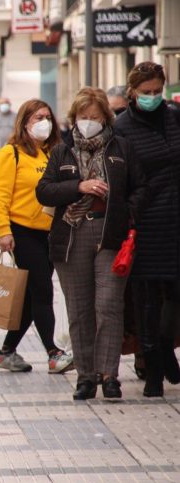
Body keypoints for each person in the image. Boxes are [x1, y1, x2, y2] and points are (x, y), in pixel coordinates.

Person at [36, 87, 147, 400]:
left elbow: (141, 188)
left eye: (94, 117)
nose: (88, 122)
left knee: (108, 306)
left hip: (110, 235)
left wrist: (126, 211)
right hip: (71, 237)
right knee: (80, 310)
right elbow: (44, 191)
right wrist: (79, 186)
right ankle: (85, 376)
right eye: (83, 117)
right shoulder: (62, 151)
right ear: (74, 118)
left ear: (106, 119)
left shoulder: (121, 148)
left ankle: (109, 374)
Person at [0, 98, 74, 375]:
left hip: (50, 231)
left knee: (28, 297)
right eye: (37, 118)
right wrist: (3, 230)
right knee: (42, 290)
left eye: (47, 117)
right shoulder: (10, 153)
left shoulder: (55, 153)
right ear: (24, 122)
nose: (44, 123)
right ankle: (53, 352)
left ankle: (6, 352)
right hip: (21, 231)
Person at [114, 62, 180, 397]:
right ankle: (153, 370)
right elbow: (122, 179)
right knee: (147, 301)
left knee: (176, 294)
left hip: (176, 218)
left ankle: (167, 345)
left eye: (158, 91)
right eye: (147, 93)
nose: (153, 97)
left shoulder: (175, 117)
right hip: (145, 223)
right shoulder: (122, 128)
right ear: (133, 92)